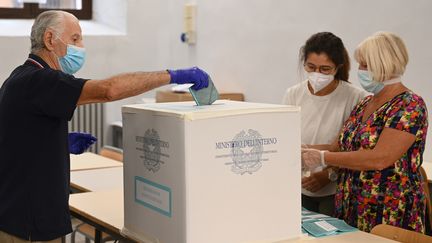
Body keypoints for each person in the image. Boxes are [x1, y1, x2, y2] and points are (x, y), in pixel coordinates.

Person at [0, 10, 210, 242]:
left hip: (18, 215)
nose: (81, 47)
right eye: (75, 39)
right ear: (50, 40)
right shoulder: (39, 80)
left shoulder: (19, 78)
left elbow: (14, 137)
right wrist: (173, 75)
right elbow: (109, 90)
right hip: (29, 224)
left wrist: (58, 143)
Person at [302, 31, 428, 233]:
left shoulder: (409, 105)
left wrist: (323, 158)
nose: (360, 71)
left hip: (387, 210)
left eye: (365, 65)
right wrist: (303, 149)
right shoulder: (366, 103)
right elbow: (339, 147)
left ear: (384, 65)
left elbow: (379, 158)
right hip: (351, 206)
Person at [282, 32, 368, 216]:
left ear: (338, 67)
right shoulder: (293, 94)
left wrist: (328, 175)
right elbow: (284, 139)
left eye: (325, 69)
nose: (317, 74)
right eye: (311, 67)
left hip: (335, 190)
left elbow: (357, 149)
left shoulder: (355, 98)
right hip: (297, 187)